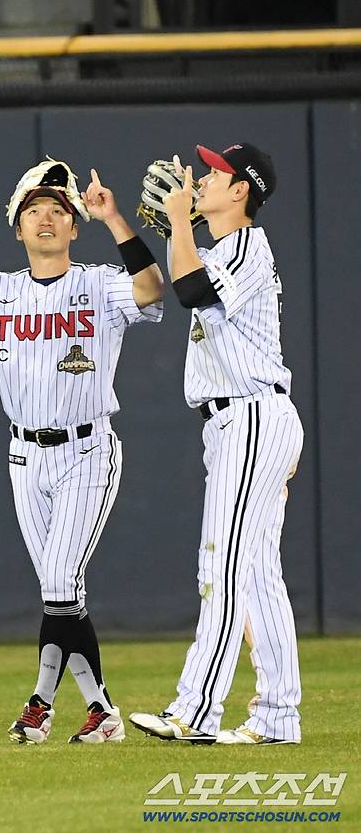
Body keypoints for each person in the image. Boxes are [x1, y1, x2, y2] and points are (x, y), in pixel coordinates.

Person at [0, 158, 164, 744]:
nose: (46, 219)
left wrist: (115, 219)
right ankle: (102, 712)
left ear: (73, 227)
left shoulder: (97, 281)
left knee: (60, 583)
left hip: (87, 449)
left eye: (59, 211)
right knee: (63, 594)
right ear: (17, 227)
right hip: (24, 458)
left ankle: (38, 702)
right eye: (34, 210)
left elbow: (151, 289)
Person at [130, 143, 304, 745]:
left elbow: (191, 292)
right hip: (246, 420)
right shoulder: (224, 247)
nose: (201, 180)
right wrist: (121, 224)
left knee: (223, 566)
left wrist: (180, 220)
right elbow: (180, 277)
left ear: (241, 192)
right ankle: (278, 716)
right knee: (256, 575)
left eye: (214, 174)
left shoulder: (248, 246)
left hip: (252, 416)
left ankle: (196, 711)